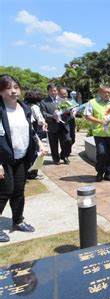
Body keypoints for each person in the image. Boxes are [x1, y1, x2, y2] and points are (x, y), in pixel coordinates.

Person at [0, 75, 46, 242]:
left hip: (21, 157)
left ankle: (18, 221)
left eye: (16, 87)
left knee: (19, 191)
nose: (13, 91)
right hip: (3, 159)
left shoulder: (24, 108)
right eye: (8, 88)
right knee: (5, 192)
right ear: (1, 91)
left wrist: (39, 143)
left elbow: (30, 131)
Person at [84, 84, 110, 182]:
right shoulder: (92, 102)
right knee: (102, 153)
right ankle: (100, 172)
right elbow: (87, 116)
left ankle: (109, 174)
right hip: (99, 133)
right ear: (99, 92)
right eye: (105, 92)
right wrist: (100, 122)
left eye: (109, 92)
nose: (107, 94)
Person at [40, 84, 71, 165]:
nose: (54, 92)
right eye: (52, 91)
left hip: (64, 125)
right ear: (48, 91)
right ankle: (56, 159)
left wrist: (69, 113)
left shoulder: (63, 100)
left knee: (67, 141)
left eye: (55, 90)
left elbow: (68, 113)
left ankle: (64, 156)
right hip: (52, 125)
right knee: (53, 144)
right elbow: (43, 113)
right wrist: (53, 117)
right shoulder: (44, 102)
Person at [24, 90, 48, 180]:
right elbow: (40, 120)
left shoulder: (23, 104)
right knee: (36, 152)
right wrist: (44, 123)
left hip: (24, 132)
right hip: (33, 131)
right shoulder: (34, 106)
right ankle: (33, 173)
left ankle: (27, 171)